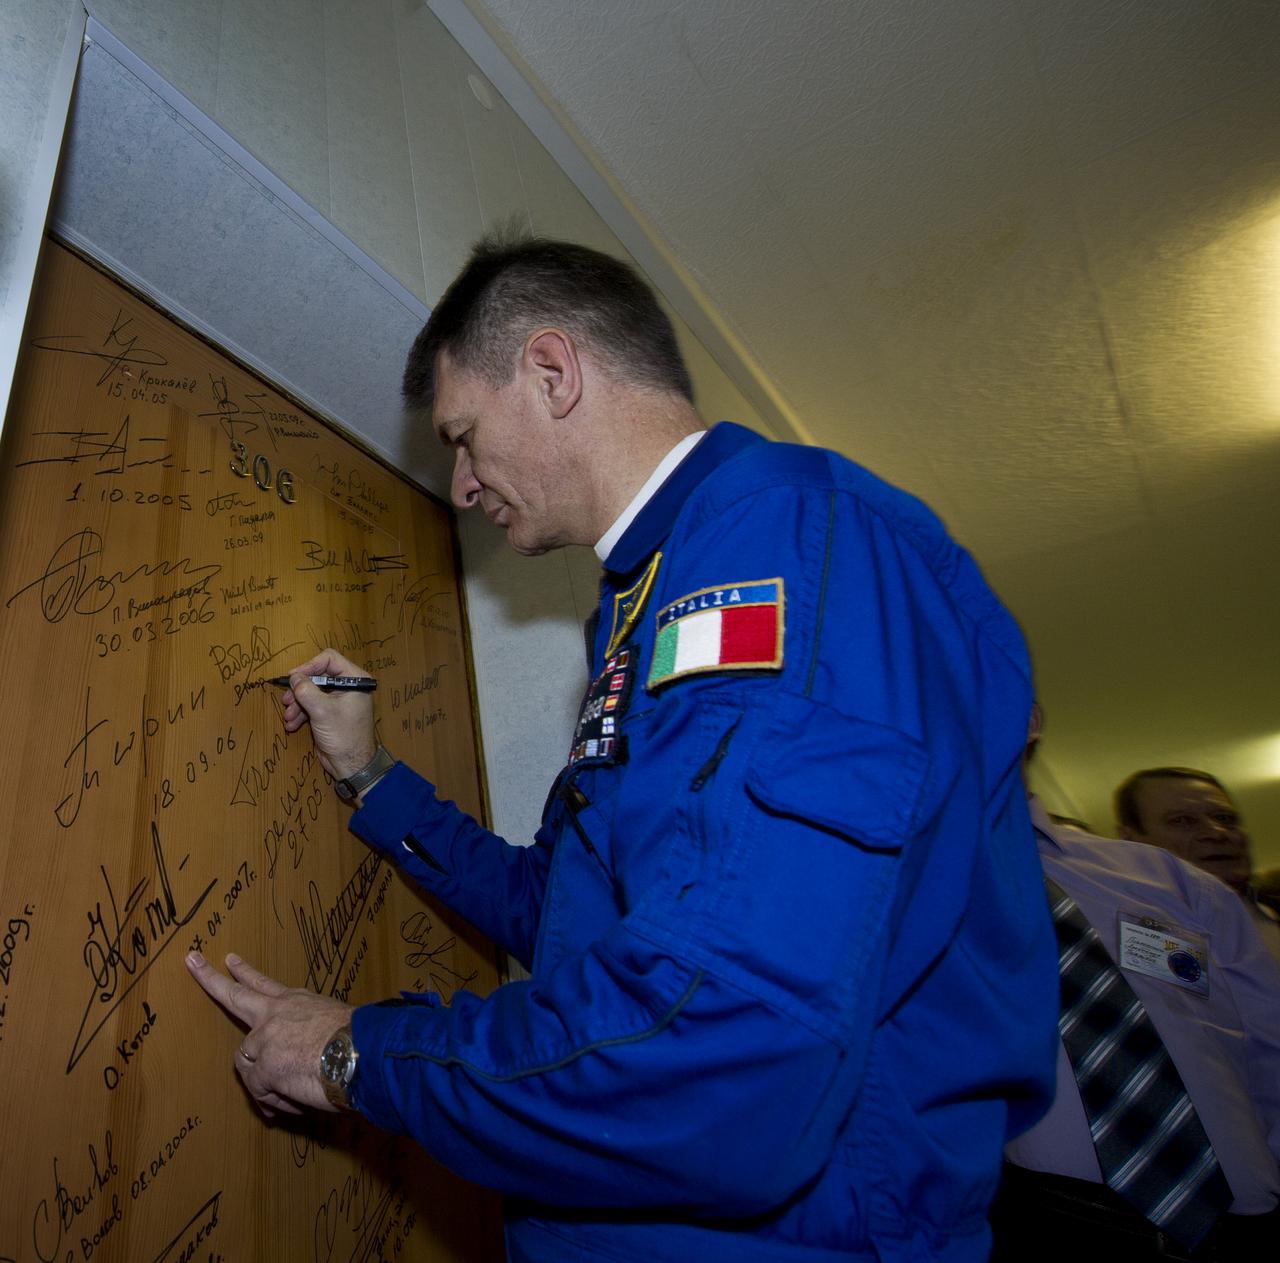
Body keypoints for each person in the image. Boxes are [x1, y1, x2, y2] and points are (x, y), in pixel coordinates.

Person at [186, 232, 1059, 1263]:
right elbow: (560, 911)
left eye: (462, 436)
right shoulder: (645, 600)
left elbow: (726, 1048)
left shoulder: (783, 546)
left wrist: (358, 1055)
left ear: (551, 373)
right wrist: (366, 775)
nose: (461, 485)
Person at [994, 732, 1280, 1261]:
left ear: (1030, 717)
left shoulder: (1170, 881)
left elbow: (1269, 1044)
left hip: (1247, 1223)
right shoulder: (889, 899)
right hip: (1041, 1229)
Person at [1114, 767, 1280, 957]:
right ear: (1130, 841)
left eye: (1224, 818)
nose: (1217, 833)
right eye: (1182, 820)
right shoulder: (1141, 945)